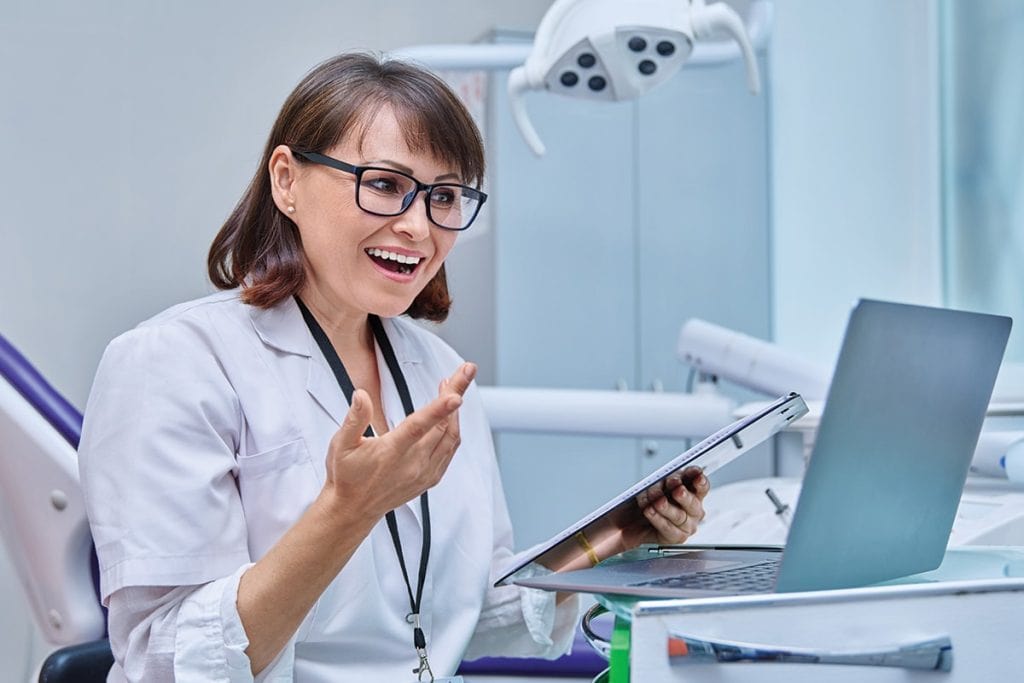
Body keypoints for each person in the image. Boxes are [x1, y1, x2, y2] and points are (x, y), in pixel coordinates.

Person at [77, 52, 709, 682]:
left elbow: (470, 615)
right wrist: (347, 509)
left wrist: (613, 541)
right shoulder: (173, 363)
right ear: (286, 181)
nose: (417, 226)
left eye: (444, 196)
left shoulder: (438, 369)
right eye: (383, 184)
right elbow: (166, 660)